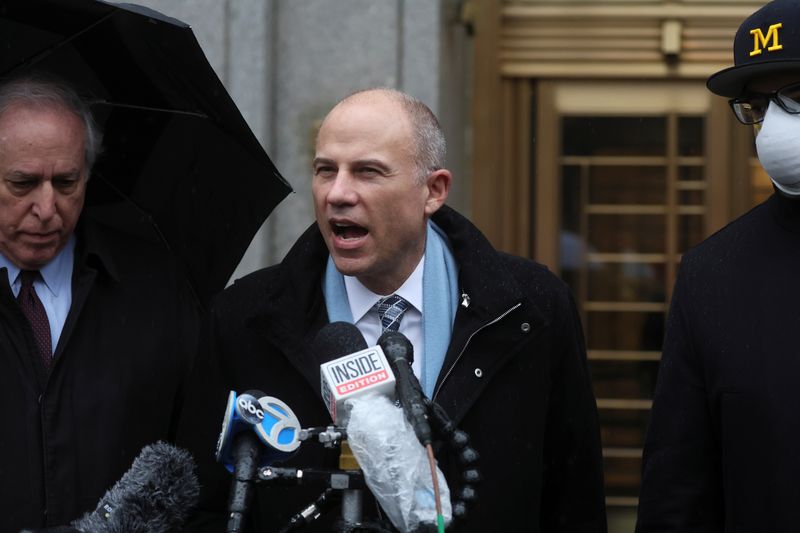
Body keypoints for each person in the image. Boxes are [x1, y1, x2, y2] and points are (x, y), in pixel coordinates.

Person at [177, 88, 607, 532]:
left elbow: (574, 500)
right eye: (325, 170)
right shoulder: (243, 318)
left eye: (368, 172)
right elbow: (201, 505)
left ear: (433, 190)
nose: (337, 194)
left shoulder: (531, 308)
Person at [0, 74, 198, 530]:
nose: (47, 208)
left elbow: (197, 451)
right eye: (23, 184)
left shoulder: (155, 286)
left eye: (66, 182)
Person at [636, 1, 800, 531]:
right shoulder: (715, 272)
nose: (772, 125)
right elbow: (679, 484)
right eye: (756, 104)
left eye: (795, 96)